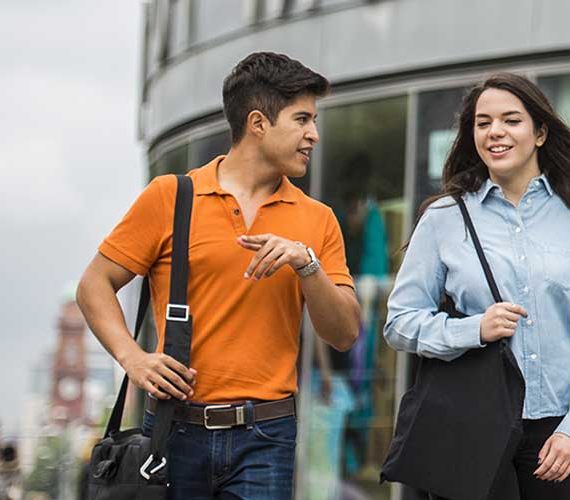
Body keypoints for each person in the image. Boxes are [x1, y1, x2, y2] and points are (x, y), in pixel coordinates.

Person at [76, 51, 361, 499]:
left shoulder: (318, 220)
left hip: (267, 435)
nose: (314, 135)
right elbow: (94, 285)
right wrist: (133, 359)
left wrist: (306, 265)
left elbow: (343, 333)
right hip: (174, 431)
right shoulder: (170, 197)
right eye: (302, 119)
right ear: (258, 123)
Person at [384, 72, 570, 500]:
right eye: (483, 123)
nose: (495, 131)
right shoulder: (445, 218)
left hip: (558, 434)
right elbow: (400, 322)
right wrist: (471, 329)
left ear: (540, 132)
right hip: (469, 424)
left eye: (511, 120)